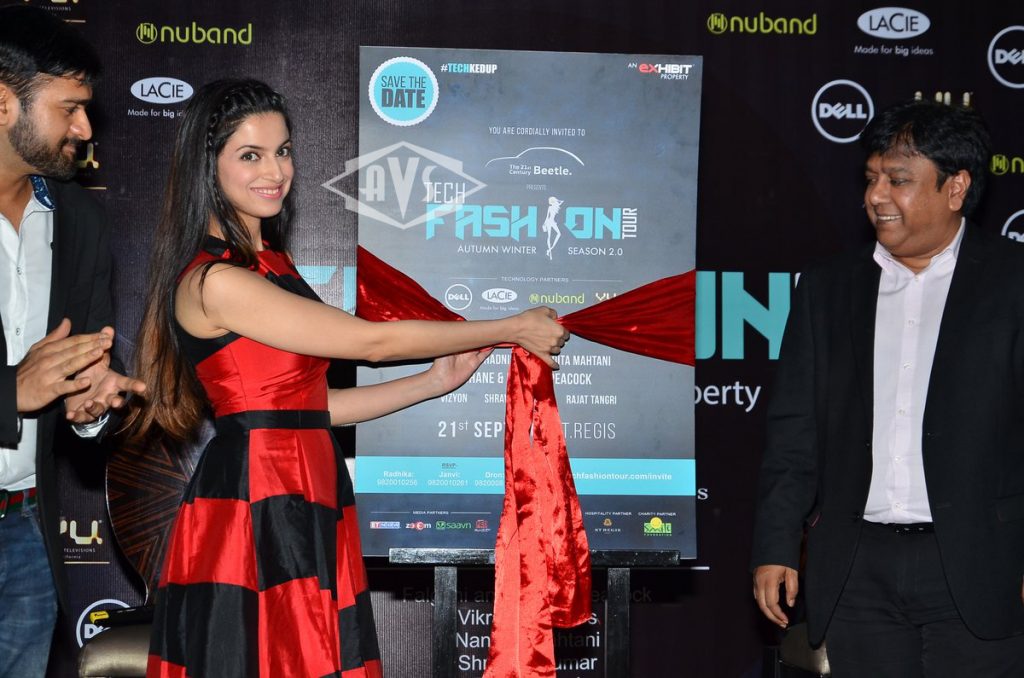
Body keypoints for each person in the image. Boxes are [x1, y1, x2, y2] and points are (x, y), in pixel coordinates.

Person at [130, 78, 569, 678]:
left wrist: (432, 383)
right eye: (251, 155)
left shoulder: (272, 265)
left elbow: (314, 407)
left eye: (283, 151)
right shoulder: (216, 281)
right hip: (258, 494)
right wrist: (512, 326)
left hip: (305, 479)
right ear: (208, 168)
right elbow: (372, 342)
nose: (275, 172)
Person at [751, 98, 1024, 676]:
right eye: (871, 178)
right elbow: (794, 432)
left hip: (981, 564)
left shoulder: (1013, 282)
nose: (876, 195)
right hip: (857, 572)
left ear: (956, 188)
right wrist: (776, 545)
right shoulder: (828, 288)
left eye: (898, 180)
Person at [0, 6, 146, 675]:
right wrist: (12, 391)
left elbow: (84, 364)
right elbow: (22, 387)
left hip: (27, 531)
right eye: (70, 109)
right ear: (4, 102)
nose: (86, 130)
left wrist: (90, 406)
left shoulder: (79, 219)